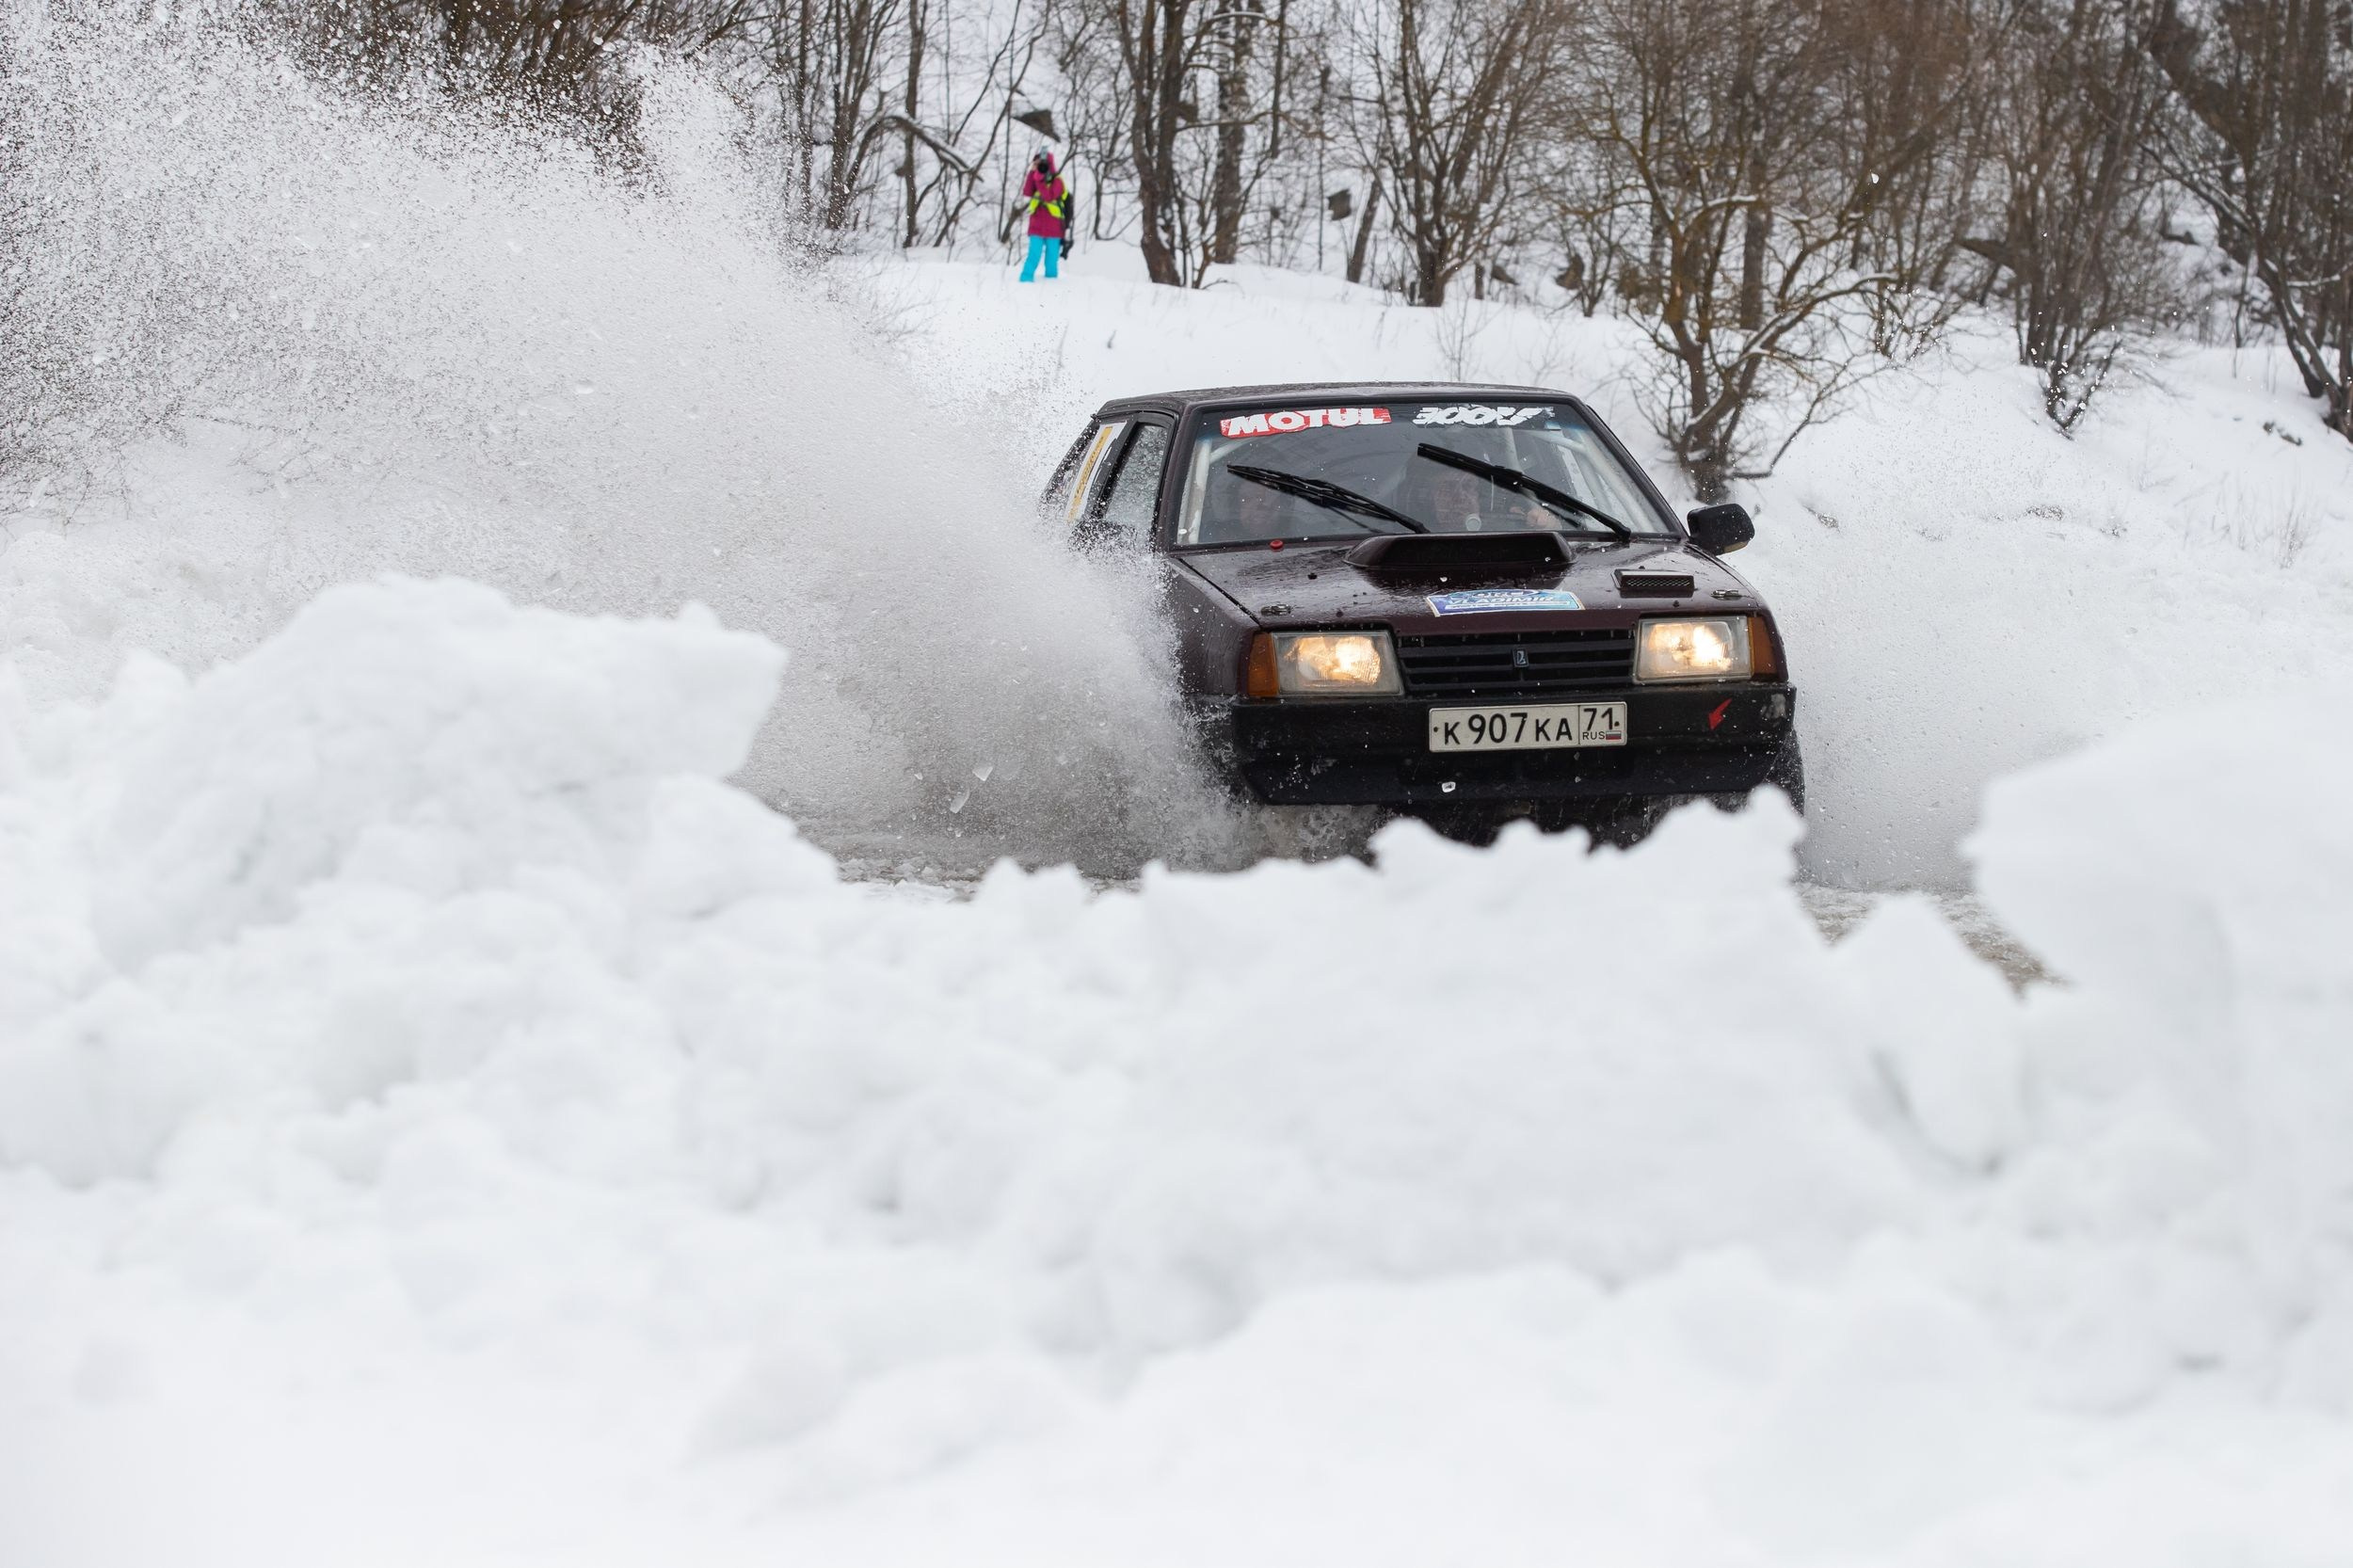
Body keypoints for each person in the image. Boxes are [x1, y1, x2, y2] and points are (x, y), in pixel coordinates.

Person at [1017, 150, 1067, 282]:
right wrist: (1033, 173)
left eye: (1042, 164)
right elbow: (1027, 191)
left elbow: (1049, 196)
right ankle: (1025, 280)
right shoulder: (1035, 177)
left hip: (1054, 227)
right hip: (1036, 225)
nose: (1040, 166)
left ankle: (1051, 285)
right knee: (1034, 254)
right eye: (1037, 163)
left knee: (1051, 260)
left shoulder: (1058, 180)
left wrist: (1040, 181)